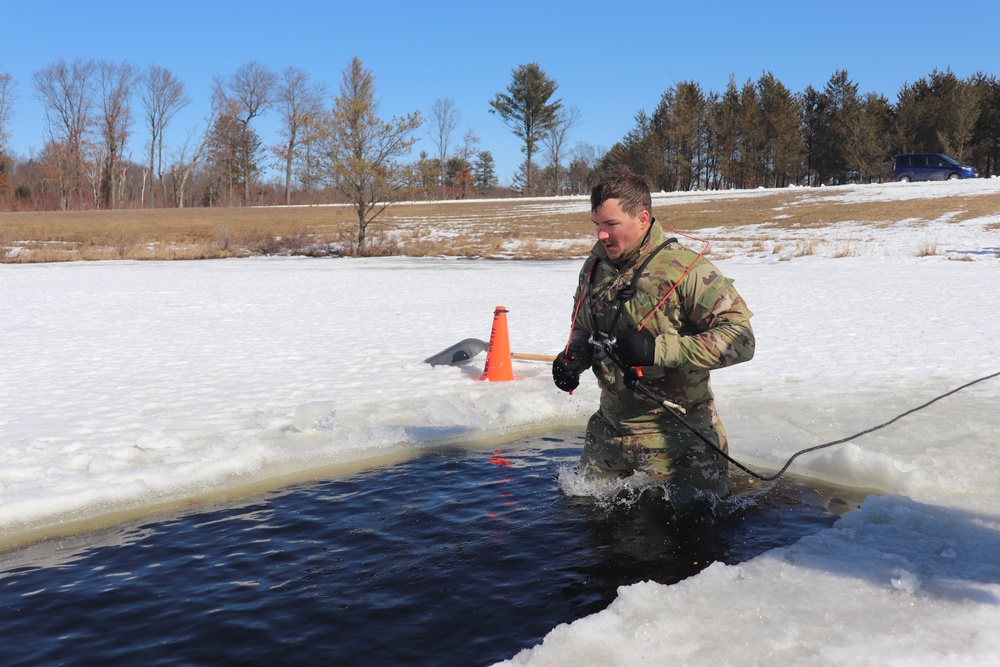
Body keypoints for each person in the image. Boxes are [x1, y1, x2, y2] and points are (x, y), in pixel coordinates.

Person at [552, 170, 755, 508]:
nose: (601, 234)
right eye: (596, 224)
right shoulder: (594, 268)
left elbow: (741, 339)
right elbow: (584, 328)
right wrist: (572, 359)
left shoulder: (687, 270)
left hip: (681, 444)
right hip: (610, 437)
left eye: (611, 224)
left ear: (642, 218)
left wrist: (657, 349)